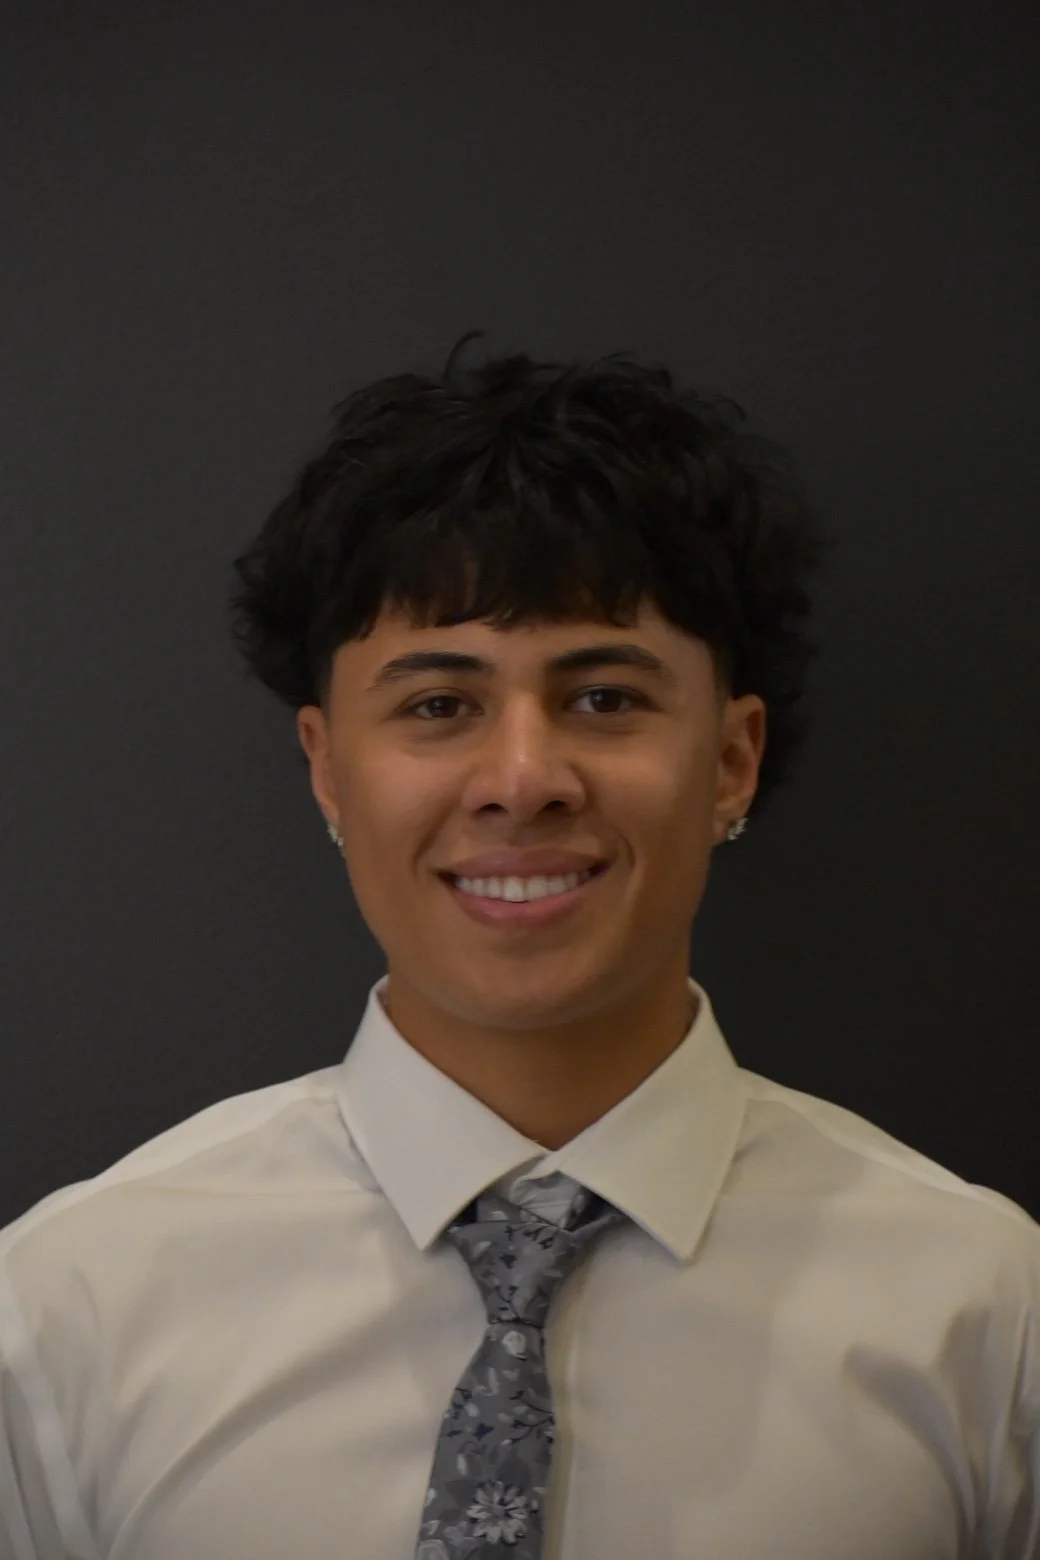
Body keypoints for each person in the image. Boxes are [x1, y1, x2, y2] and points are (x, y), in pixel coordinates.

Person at [1, 339, 1037, 1559]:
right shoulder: (67, 1304)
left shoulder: (984, 1309)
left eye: (604, 697)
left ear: (729, 761)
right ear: (328, 768)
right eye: (438, 704)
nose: (523, 780)